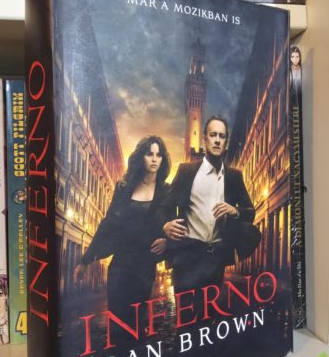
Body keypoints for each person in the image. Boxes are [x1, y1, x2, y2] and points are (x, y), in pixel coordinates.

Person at [158, 116, 260, 295]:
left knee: (211, 310)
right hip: (187, 255)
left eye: (222, 136)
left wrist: (235, 211)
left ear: (225, 143)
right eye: (213, 135)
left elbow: (250, 212)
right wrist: (165, 225)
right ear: (204, 139)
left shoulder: (234, 177)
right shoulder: (186, 171)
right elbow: (164, 207)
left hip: (216, 258)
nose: (217, 140)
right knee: (186, 311)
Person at [76, 135, 171, 324]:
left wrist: (167, 241)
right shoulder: (124, 188)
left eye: (158, 155)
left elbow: (174, 224)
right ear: (141, 157)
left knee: (136, 322)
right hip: (120, 265)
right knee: (117, 323)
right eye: (149, 154)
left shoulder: (166, 191)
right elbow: (108, 223)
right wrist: (86, 260)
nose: (154, 159)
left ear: (163, 159)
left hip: (144, 267)